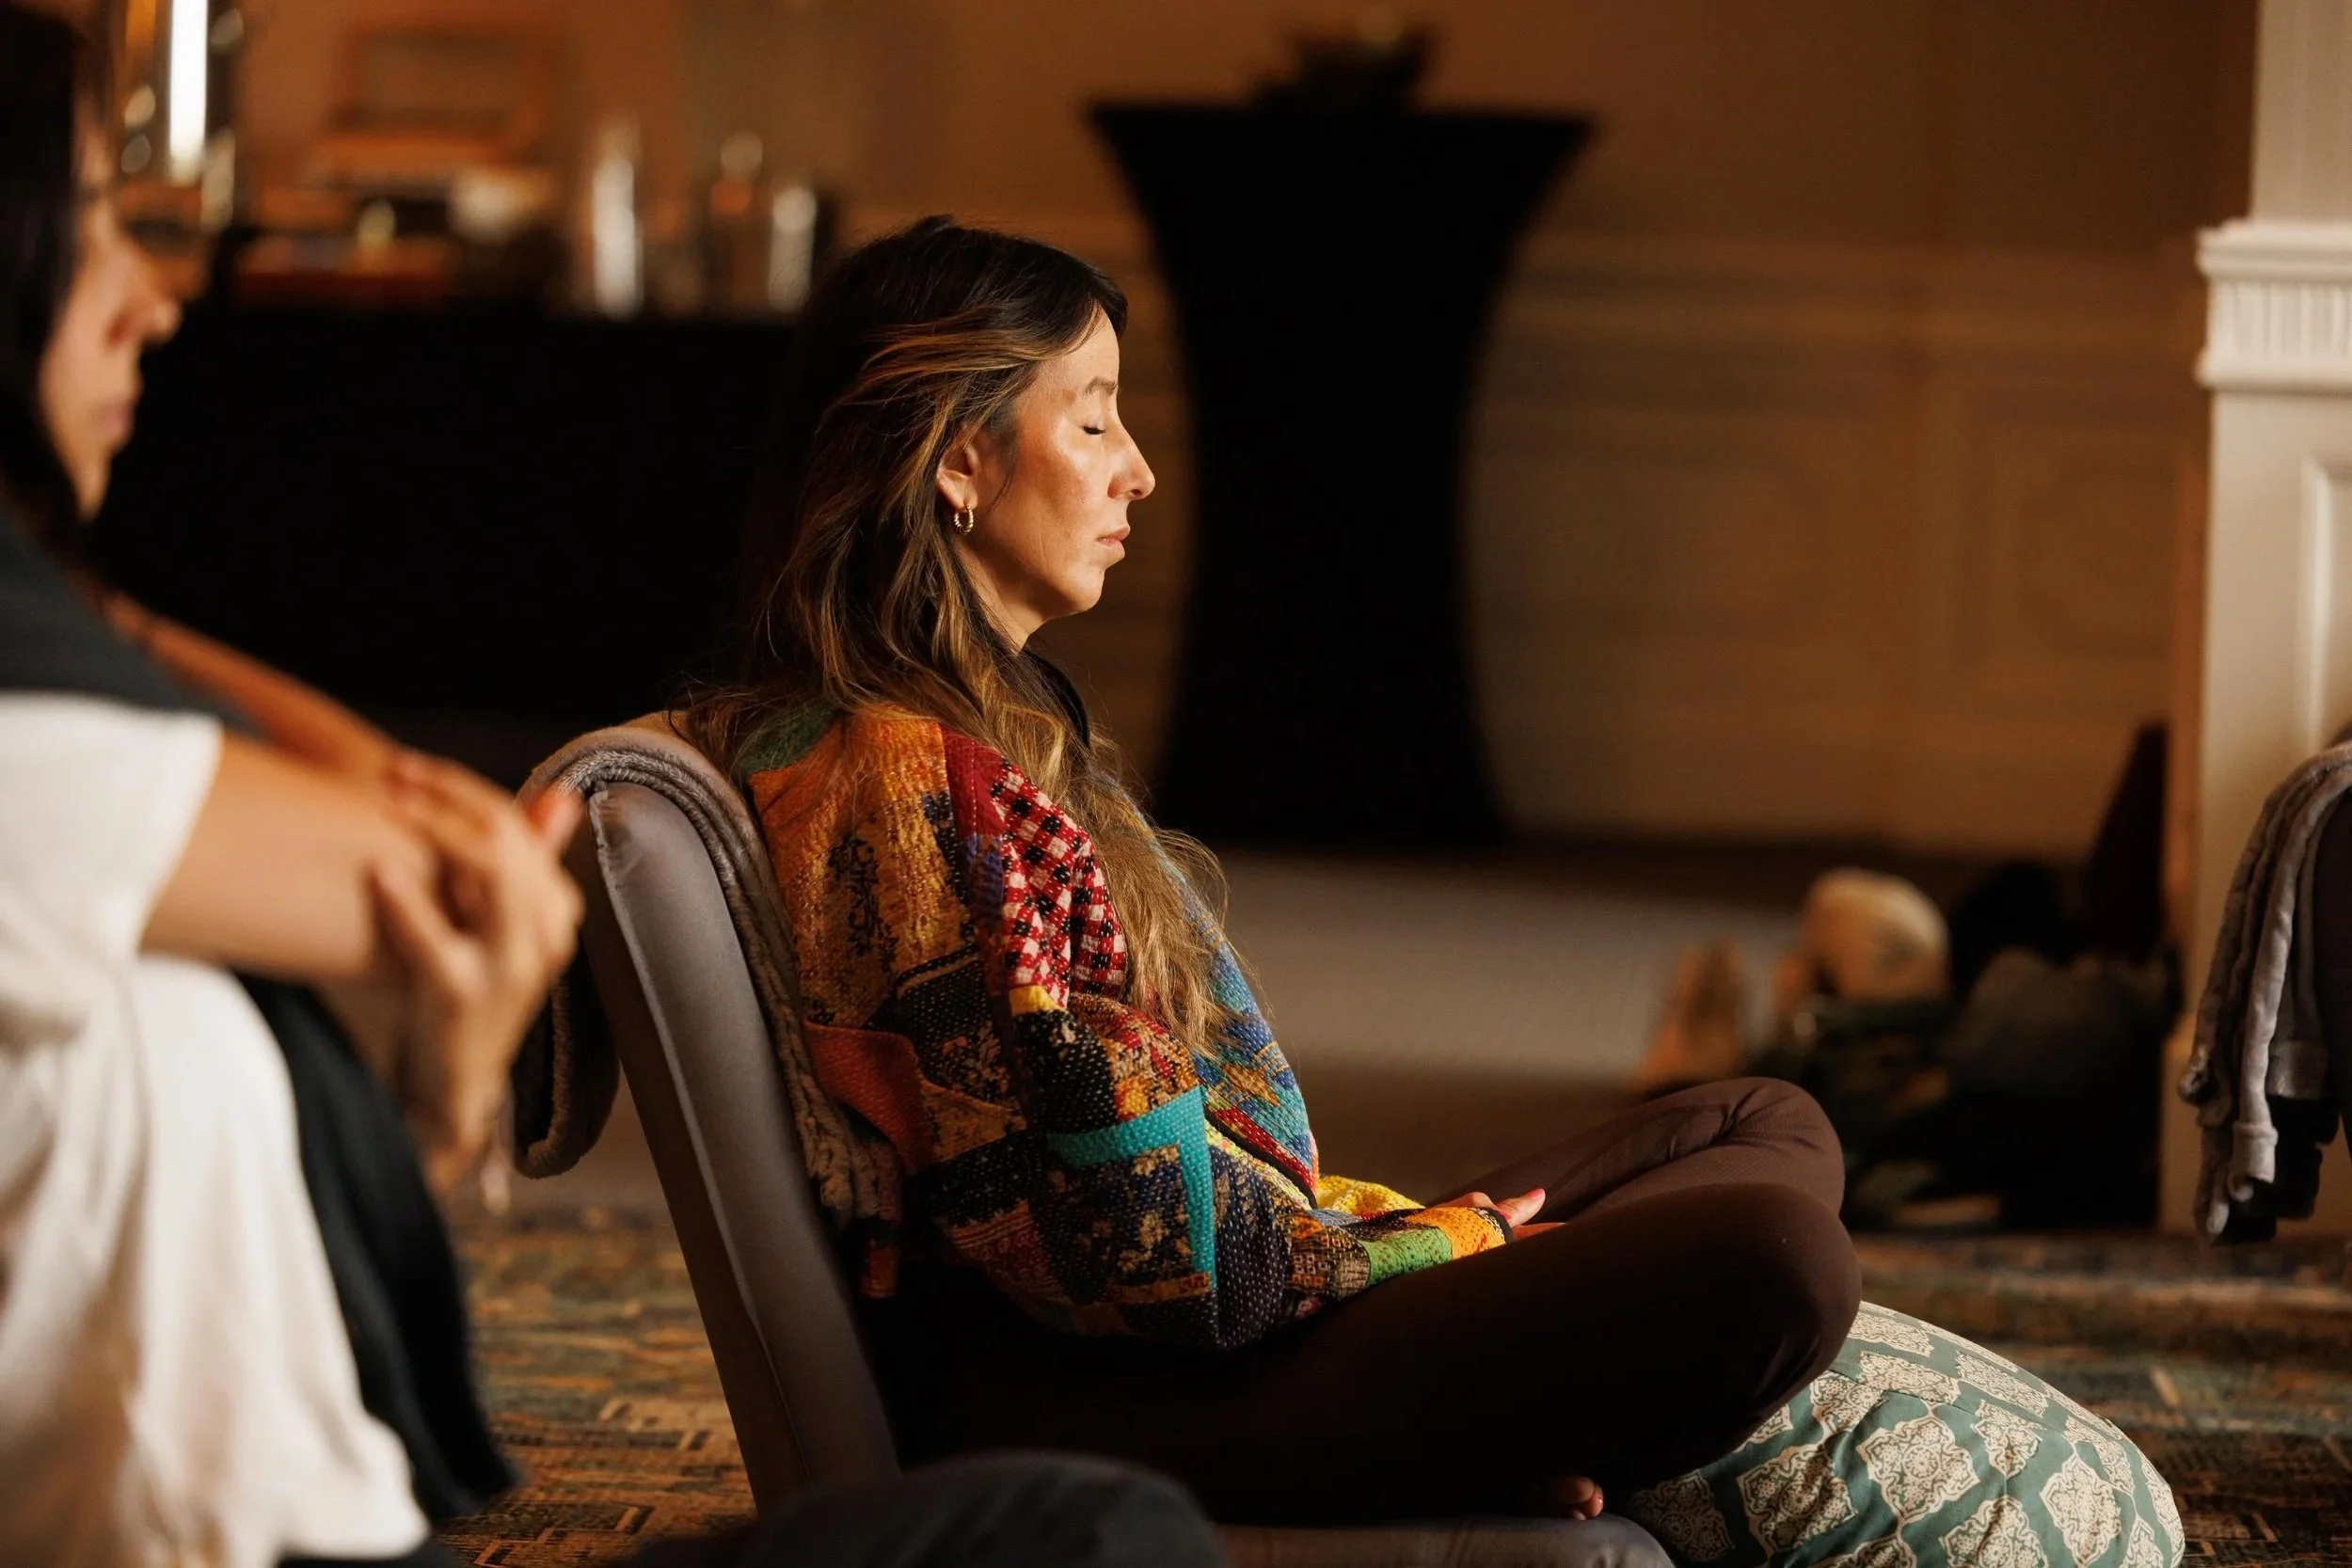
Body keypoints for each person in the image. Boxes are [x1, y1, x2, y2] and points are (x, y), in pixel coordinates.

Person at [0, 9, 1226, 1568]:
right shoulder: (34, 769)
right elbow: (462, 874)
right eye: (91, 227)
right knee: (1106, 1537)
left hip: (366, 1529)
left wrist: (91, 606)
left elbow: (442, 870)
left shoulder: (65, 729)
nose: (154, 300)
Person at [682, 215, 1864, 1526]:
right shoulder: (912, 783)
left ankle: (1503, 1434)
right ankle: (1476, 1447)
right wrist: (1442, 1247)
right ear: (959, 462)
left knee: (1765, 1121)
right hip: (1119, 1385)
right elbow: (1164, 1260)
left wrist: (1427, 1248)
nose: (1136, 471)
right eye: (1092, 422)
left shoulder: (977, 733)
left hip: (1215, 1313)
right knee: (1779, 1253)